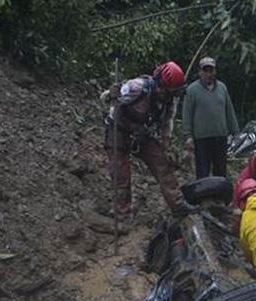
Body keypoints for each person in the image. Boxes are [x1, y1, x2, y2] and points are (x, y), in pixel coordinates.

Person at [102, 61, 195, 219]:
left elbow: (167, 122)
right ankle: (122, 212)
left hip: (142, 133)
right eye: (168, 92)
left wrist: (165, 143)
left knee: (162, 164)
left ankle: (178, 205)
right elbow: (106, 98)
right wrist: (113, 94)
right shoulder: (137, 88)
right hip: (118, 130)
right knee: (120, 174)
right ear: (160, 85)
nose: (169, 96)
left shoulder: (169, 101)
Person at [182, 57, 239, 179]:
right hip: (201, 138)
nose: (208, 74)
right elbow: (187, 114)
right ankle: (204, 196)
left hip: (220, 136)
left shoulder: (222, 88)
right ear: (200, 72)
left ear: (215, 72)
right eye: (205, 71)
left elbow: (229, 110)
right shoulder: (192, 90)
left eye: (211, 71)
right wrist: (188, 135)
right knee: (203, 170)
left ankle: (220, 196)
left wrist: (235, 131)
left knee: (221, 169)